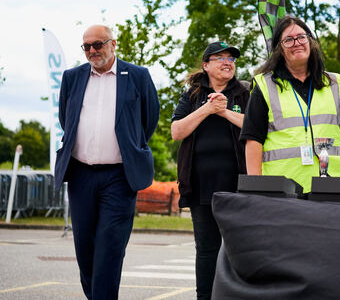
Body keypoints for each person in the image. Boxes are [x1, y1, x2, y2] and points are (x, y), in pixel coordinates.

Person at [54, 25, 159, 299]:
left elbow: (149, 120)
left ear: (113, 44)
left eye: (97, 45)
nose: (91, 51)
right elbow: (67, 119)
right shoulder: (72, 77)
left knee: (110, 249)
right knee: (85, 252)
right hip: (81, 176)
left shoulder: (137, 76)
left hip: (119, 177)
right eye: (86, 46)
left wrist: (129, 146)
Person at [241, 15, 340, 193]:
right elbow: (253, 141)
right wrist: (257, 189)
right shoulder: (264, 86)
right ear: (280, 49)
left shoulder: (335, 83)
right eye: (288, 40)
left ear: (311, 42)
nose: (297, 43)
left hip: (335, 184)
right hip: (283, 188)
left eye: (301, 37)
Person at [171, 41, 248, 300]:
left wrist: (224, 111)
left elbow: (258, 127)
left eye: (231, 59)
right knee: (206, 249)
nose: (228, 62)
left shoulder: (246, 91)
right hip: (201, 184)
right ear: (206, 66)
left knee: (239, 248)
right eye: (220, 58)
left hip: (240, 185)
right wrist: (207, 108)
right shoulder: (192, 95)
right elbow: (177, 131)